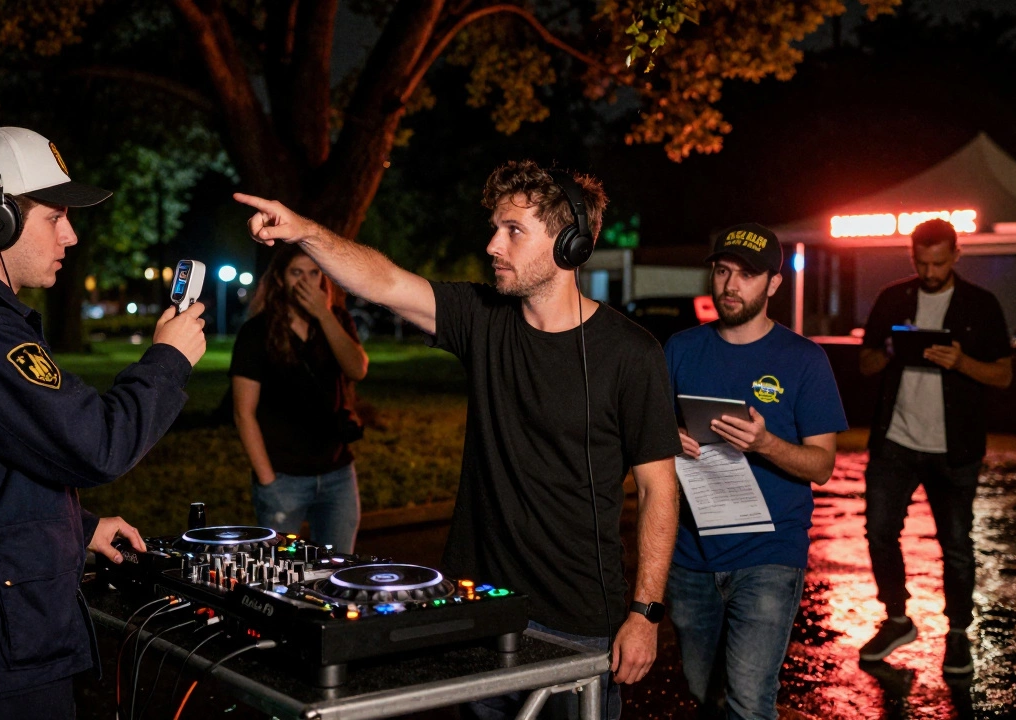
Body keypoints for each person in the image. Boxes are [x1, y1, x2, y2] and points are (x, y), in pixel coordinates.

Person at [233, 160, 683, 720]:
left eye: (514, 230)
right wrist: (306, 231)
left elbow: (659, 489)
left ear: (570, 244)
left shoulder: (631, 354)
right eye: (494, 227)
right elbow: (385, 280)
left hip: (579, 622)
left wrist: (644, 613)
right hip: (478, 611)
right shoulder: (482, 317)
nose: (494, 244)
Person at [0, 126, 207, 717]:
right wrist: (168, 360)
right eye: (56, 217)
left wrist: (81, 528)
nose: (71, 236)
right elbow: (96, 445)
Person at [664, 223, 847, 720]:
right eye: (722, 271)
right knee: (706, 694)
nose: (730, 285)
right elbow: (642, 434)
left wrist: (766, 443)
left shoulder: (804, 360)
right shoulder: (680, 349)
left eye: (746, 275)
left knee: (748, 701)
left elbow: (823, 465)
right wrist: (665, 439)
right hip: (690, 554)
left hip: (769, 554)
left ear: (772, 284)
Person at [857, 218, 1012, 674]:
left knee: (957, 545)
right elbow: (865, 364)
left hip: (955, 449)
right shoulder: (893, 298)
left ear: (956, 255)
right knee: (879, 533)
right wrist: (888, 351)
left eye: (938, 263)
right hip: (895, 443)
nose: (928, 271)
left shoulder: (980, 305)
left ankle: (959, 632)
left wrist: (961, 361)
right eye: (920, 263)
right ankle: (897, 618)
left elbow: (1003, 374)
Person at [229, 245, 369, 552]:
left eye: (314, 273)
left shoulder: (337, 321)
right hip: (283, 477)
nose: (306, 281)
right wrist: (268, 479)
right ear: (279, 279)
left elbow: (357, 369)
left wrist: (324, 313)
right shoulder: (257, 332)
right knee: (278, 577)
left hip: (337, 474)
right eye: (296, 272)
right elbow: (243, 413)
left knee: (337, 574)